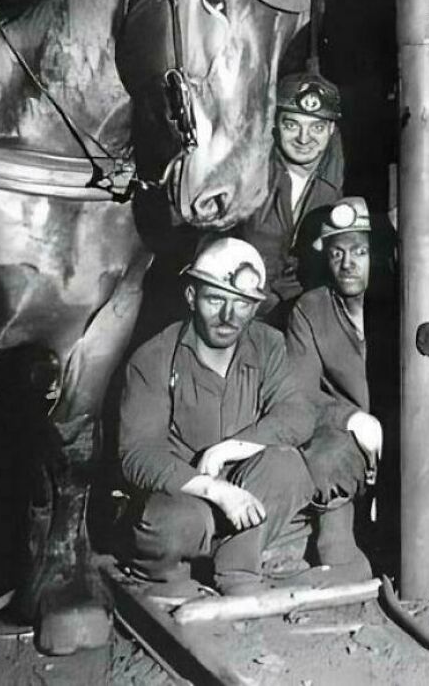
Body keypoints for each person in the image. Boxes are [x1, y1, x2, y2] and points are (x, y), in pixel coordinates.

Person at [117, 236, 319, 597]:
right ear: (192, 297)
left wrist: (230, 449)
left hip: (247, 487)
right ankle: (166, 571)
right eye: (215, 300)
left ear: (255, 307)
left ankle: (237, 569)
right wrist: (215, 489)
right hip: (186, 494)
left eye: (242, 304)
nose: (229, 317)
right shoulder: (154, 357)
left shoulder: (268, 344)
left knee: (288, 466)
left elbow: (297, 413)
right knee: (174, 525)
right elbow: (138, 454)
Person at [286, 196, 382, 581]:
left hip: (413, 434)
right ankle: (337, 546)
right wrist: (350, 418)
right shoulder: (310, 309)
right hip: (351, 439)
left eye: (360, 251)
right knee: (323, 455)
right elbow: (298, 392)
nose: (348, 264)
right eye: (337, 252)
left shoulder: (409, 300)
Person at [233, 71, 344, 327]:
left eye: (316, 127)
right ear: (275, 124)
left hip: (304, 317)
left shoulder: (341, 180)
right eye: (292, 125)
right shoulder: (248, 172)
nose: (304, 139)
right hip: (240, 308)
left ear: (331, 130)